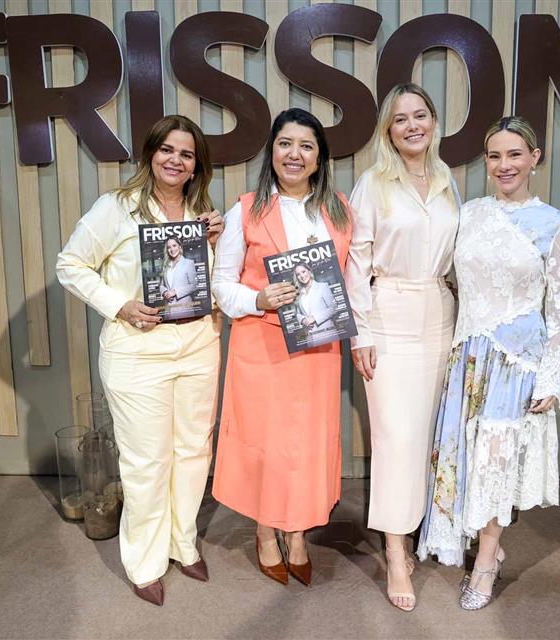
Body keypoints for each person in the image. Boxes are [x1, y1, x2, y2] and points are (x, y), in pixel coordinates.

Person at [56, 115, 223, 606]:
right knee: (147, 460)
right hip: (137, 350)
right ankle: (145, 562)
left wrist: (216, 243)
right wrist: (119, 305)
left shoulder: (202, 214)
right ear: (150, 154)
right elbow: (70, 264)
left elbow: (211, 284)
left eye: (186, 154)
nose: (176, 160)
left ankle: (182, 542)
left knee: (193, 452)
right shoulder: (116, 207)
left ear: (196, 165)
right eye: (167, 150)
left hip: (198, 345)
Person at [416, 116, 560, 611]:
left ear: (535, 158)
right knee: (464, 459)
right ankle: (484, 547)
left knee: (494, 463)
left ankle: (485, 561)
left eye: (514, 155)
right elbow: (447, 274)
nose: (504, 165)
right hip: (468, 356)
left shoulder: (554, 224)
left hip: (516, 364)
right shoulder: (471, 213)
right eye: (495, 156)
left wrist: (551, 377)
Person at [211, 108, 352, 587]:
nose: (295, 154)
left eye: (306, 146)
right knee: (267, 446)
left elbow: (352, 279)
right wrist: (258, 299)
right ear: (272, 151)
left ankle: (297, 533)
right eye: (285, 143)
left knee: (307, 444)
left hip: (318, 350)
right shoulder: (246, 210)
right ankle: (265, 531)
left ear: (320, 158)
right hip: (262, 345)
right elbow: (221, 284)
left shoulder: (339, 211)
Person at [345, 83, 460, 612]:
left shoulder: (446, 178)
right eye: (400, 119)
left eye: (420, 115)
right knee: (396, 436)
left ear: (433, 121)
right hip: (387, 314)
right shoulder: (373, 183)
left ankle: (418, 530)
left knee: (429, 435)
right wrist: (361, 333)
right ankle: (395, 551)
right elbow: (356, 262)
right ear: (388, 131)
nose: (412, 125)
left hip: (440, 312)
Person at [293, 262, 336, 347]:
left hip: (326, 334)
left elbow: (334, 308)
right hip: (310, 337)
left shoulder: (322, 286)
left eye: (303, 271)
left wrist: (314, 318)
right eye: (298, 274)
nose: (302, 276)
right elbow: (298, 314)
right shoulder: (299, 293)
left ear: (309, 271)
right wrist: (303, 320)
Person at [159, 236, 197, 317]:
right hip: (168, 311)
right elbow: (161, 285)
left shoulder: (188, 263)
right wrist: (165, 293)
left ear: (180, 247)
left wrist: (175, 292)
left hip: (184, 310)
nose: (172, 249)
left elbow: (194, 285)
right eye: (169, 247)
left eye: (174, 245)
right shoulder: (166, 266)